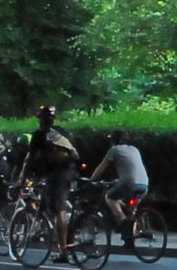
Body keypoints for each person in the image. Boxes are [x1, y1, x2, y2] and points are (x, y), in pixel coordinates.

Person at [22, 106, 82, 254]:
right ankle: (72, 223)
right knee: (55, 201)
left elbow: (30, 159)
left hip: (55, 174)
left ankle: (63, 250)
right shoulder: (61, 131)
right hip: (70, 172)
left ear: (39, 119)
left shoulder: (39, 135)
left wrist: (24, 177)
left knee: (58, 210)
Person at [88, 136, 150, 231]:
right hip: (144, 183)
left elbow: (102, 167)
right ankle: (130, 239)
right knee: (132, 212)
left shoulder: (114, 149)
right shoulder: (134, 149)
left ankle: (122, 219)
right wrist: (118, 181)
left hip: (129, 183)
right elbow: (132, 168)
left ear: (113, 141)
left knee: (109, 197)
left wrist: (91, 180)